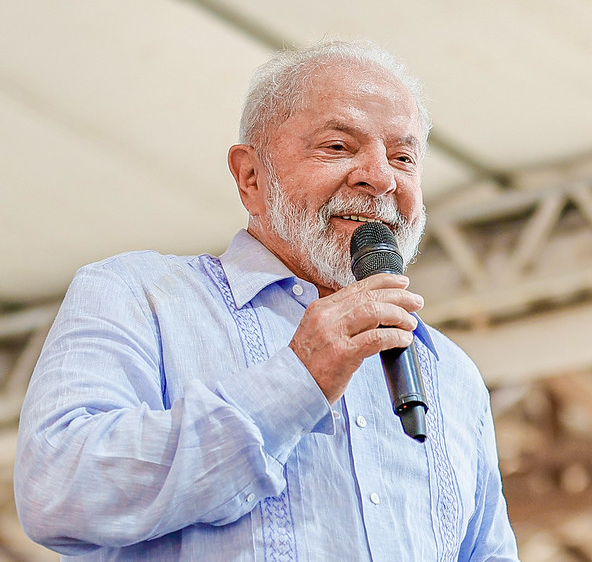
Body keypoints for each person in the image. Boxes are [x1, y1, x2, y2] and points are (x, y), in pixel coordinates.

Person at [14, 40, 519, 561]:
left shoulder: (451, 376)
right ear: (250, 177)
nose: (381, 178)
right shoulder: (139, 296)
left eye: (403, 157)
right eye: (338, 147)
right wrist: (297, 380)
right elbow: (57, 488)